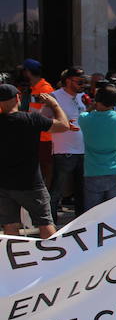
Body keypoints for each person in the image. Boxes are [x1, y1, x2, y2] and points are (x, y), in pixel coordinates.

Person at [0, 85, 70, 238]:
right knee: (45, 224)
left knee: (10, 226)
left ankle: (16, 260)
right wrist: (55, 104)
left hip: (4, 184)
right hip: (31, 183)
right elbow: (64, 125)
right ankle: (55, 258)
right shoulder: (31, 119)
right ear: (17, 98)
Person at [45, 67, 88, 224]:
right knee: (57, 190)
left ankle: (81, 223)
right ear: (68, 80)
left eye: (84, 82)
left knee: (82, 190)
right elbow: (45, 121)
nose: (83, 85)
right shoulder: (54, 97)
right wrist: (64, 125)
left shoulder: (83, 97)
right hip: (64, 150)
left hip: (83, 149)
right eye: (79, 82)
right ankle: (50, 224)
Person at [78, 85, 116, 211]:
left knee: (92, 213)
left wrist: (94, 104)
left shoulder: (85, 119)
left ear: (97, 99)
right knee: (115, 211)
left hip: (93, 171)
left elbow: (85, 113)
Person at [21, 59, 54, 185]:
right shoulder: (32, 88)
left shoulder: (45, 88)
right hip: (35, 134)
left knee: (46, 167)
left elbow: (49, 110)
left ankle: (47, 196)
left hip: (45, 136)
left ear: (28, 72)